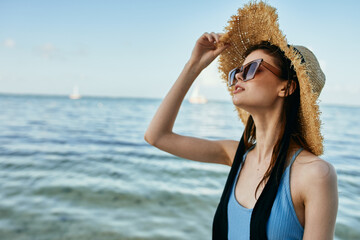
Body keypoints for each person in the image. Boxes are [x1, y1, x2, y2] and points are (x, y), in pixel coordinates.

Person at [144, 1, 338, 239]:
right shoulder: (236, 155)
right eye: (236, 71)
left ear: (286, 87)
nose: (238, 77)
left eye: (252, 68)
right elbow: (156, 136)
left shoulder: (315, 175)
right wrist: (194, 65)